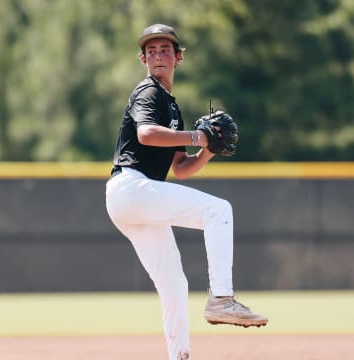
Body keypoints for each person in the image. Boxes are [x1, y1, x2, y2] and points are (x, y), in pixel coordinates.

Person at [105, 24, 267, 360]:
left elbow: (181, 168)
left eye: (165, 49)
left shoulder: (172, 107)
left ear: (179, 57)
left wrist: (208, 150)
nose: (158, 56)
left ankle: (179, 355)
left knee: (175, 286)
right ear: (143, 59)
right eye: (151, 51)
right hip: (131, 188)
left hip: (134, 199)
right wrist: (197, 136)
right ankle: (222, 299)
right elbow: (147, 134)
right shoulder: (148, 92)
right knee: (219, 211)